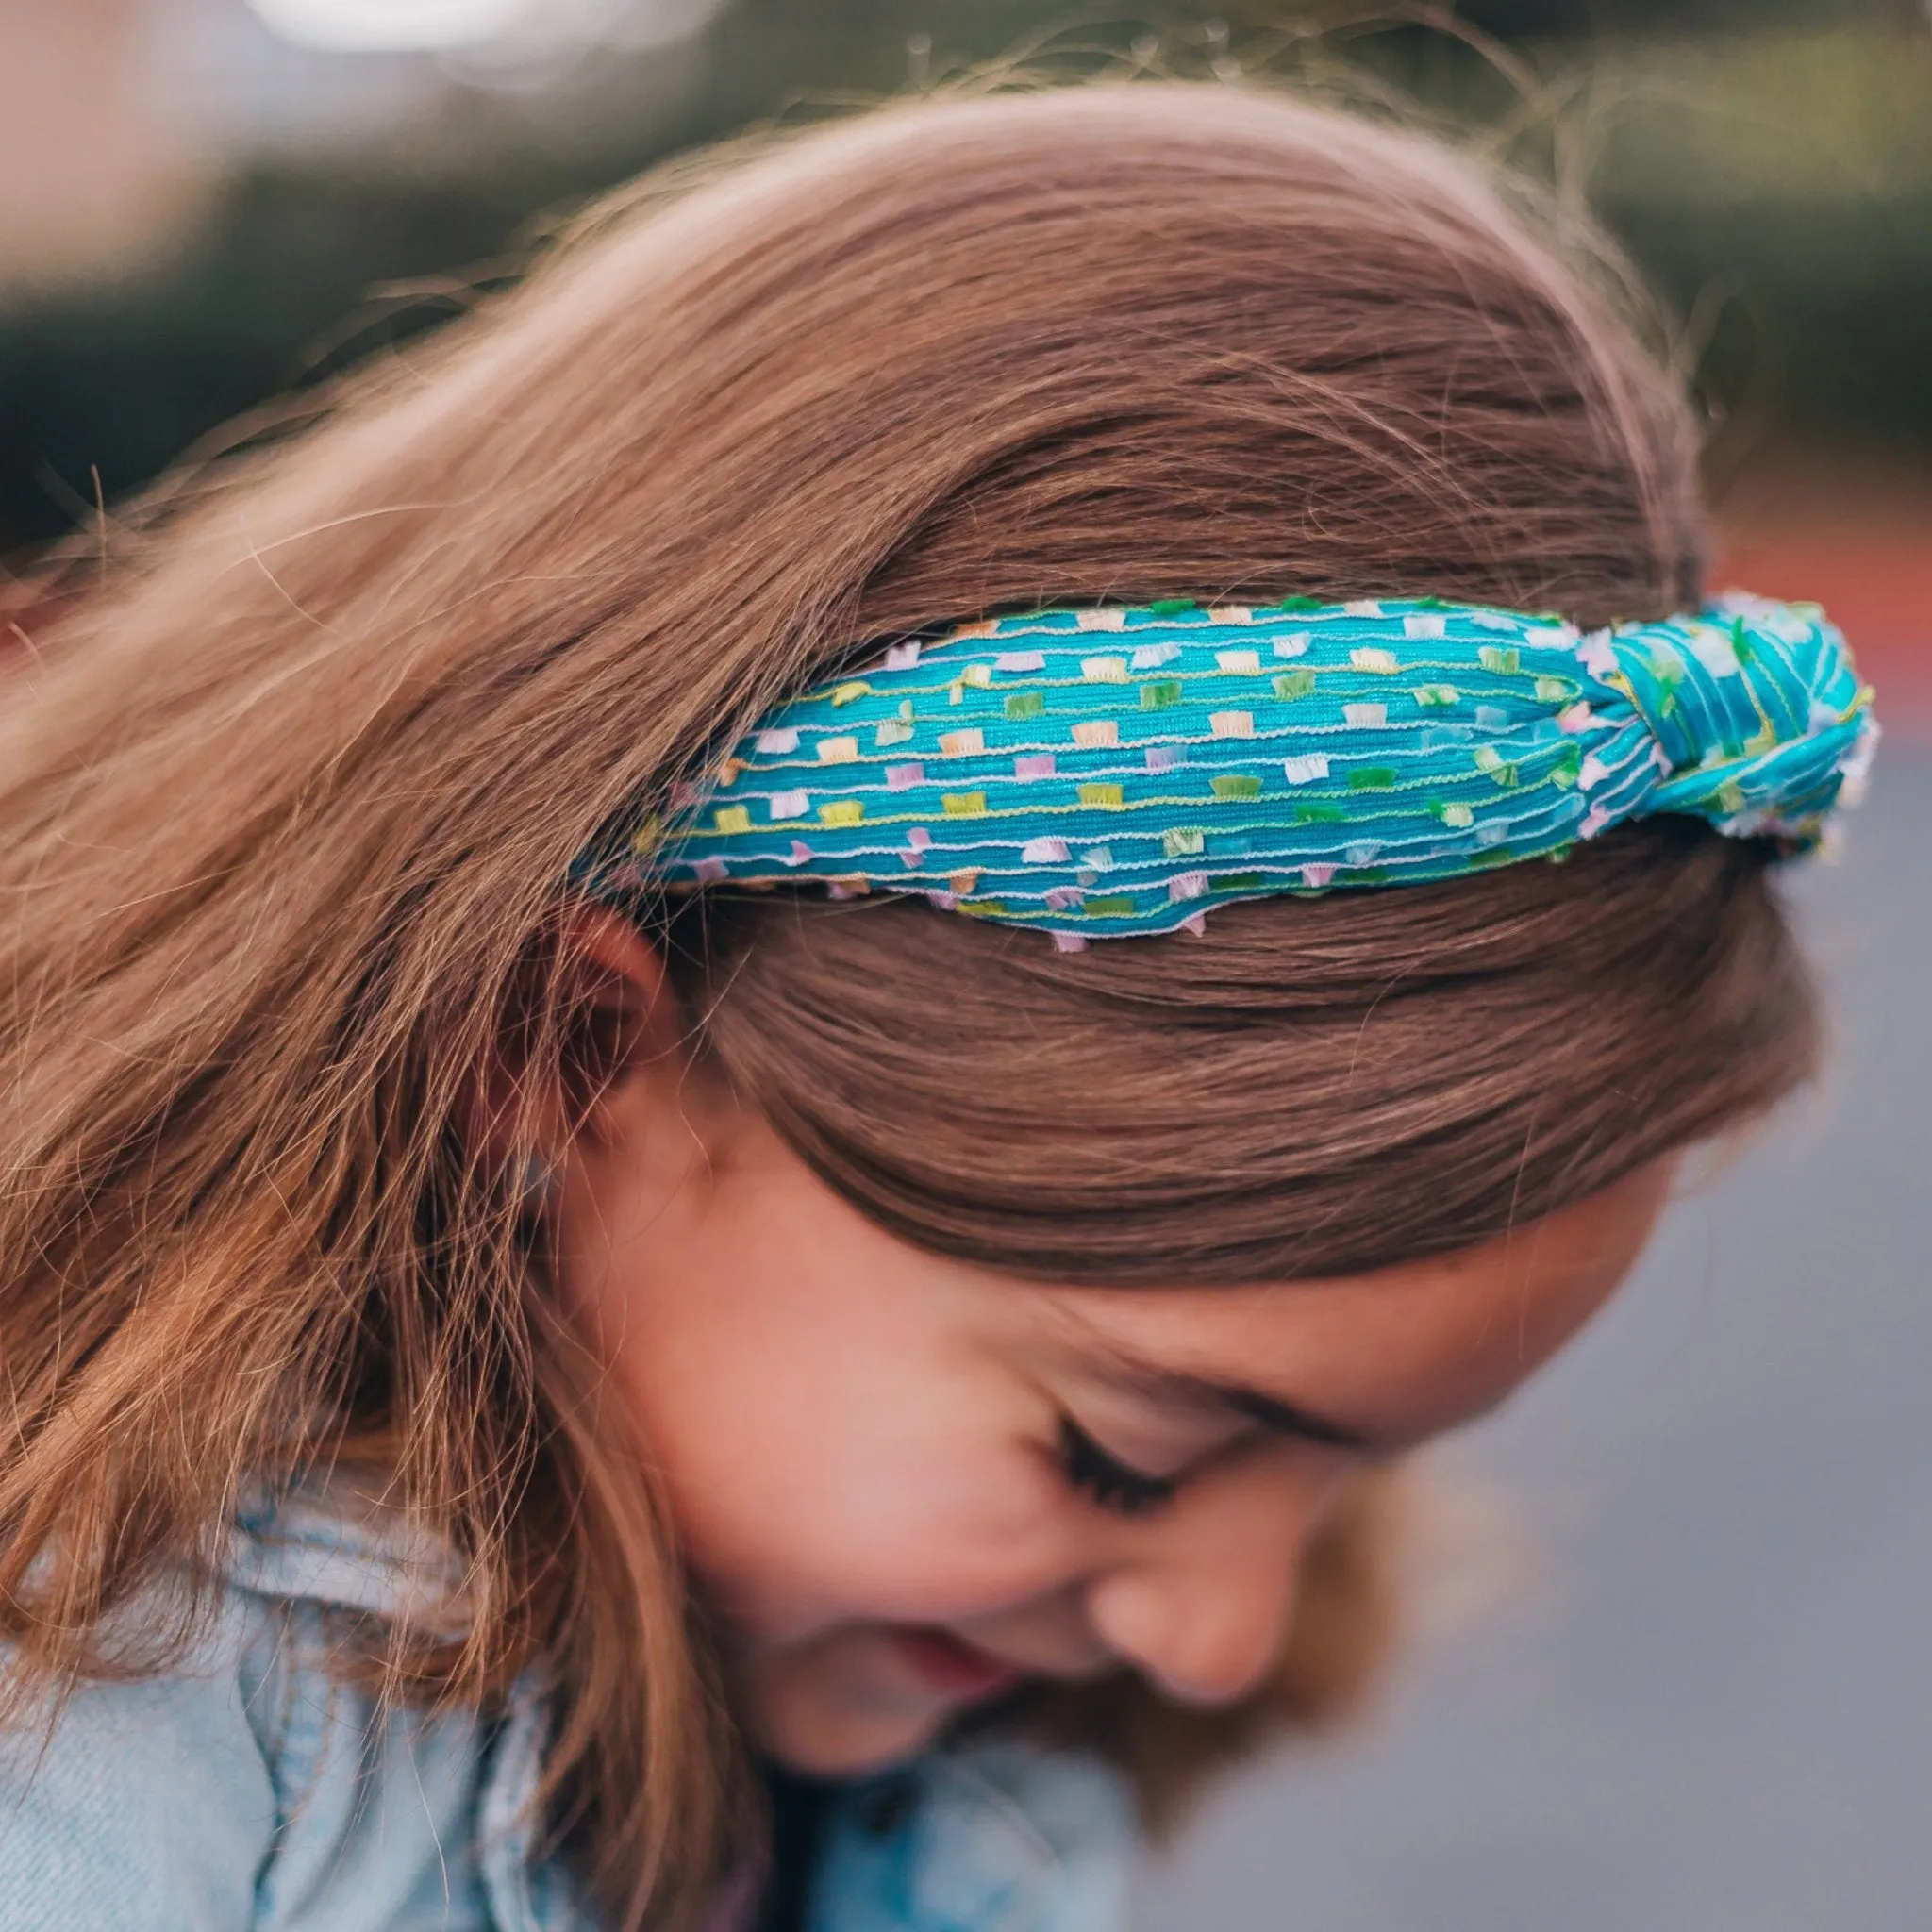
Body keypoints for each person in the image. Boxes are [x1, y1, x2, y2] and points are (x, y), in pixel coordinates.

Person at [0, 81, 1874, 1932]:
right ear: (556, 1051)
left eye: (1338, 1473)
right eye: (1116, 1458)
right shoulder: (108, 1731)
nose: (1216, 1642)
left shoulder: (958, 1736)